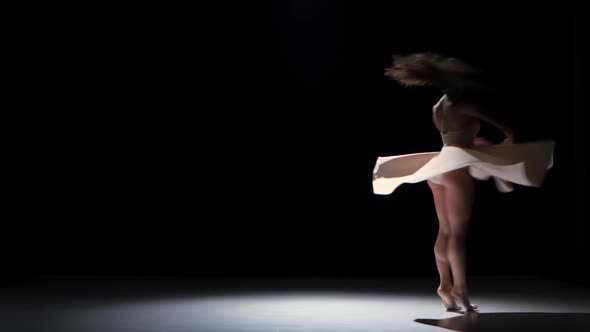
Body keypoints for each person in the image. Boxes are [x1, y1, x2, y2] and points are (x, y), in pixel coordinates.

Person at [373, 52, 555, 312]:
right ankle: (460, 289)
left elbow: (454, 140)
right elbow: (507, 129)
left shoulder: (438, 107)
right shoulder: (466, 105)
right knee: (457, 233)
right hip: (455, 171)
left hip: (438, 169)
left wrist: (473, 145)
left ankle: (444, 286)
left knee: (444, 229)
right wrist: (505, 144)